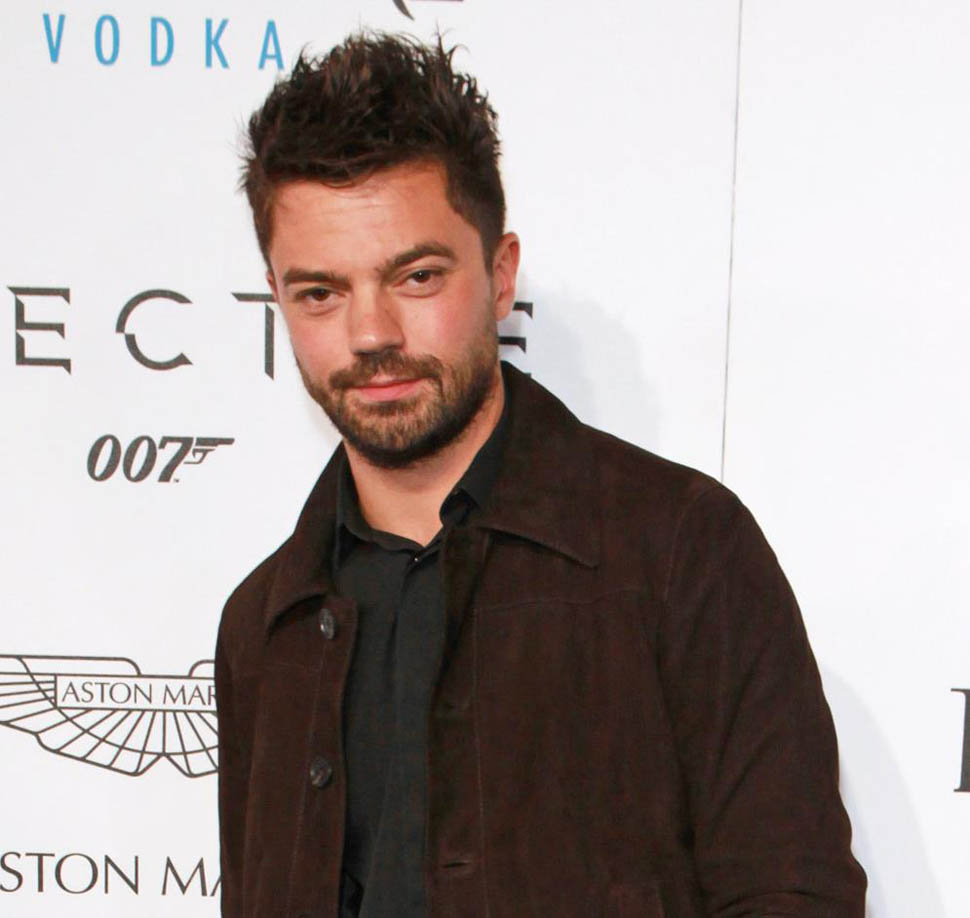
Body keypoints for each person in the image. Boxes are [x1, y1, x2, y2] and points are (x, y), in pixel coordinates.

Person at [215, 31, 866, 918]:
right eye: (321, 292)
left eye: (416, 276)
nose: (370, 334)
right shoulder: (264, 624)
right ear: (278, 298)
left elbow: (794, 896)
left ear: (500, 274)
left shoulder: (680, 551)